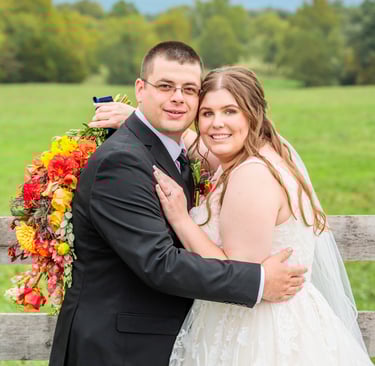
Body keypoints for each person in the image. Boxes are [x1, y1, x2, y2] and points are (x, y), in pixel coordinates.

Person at [49, 42, 306, 366]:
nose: (178, 98)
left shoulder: (177, 154)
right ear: (140, 89)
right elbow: (159, 262)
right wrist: (258, 281)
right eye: (166, 86)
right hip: (118, 350)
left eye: (189, 89)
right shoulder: (122, 162)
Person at [148, 66, 372, 365]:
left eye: (230, 111)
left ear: (253, 114)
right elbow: (200, 144)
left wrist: (181, 219)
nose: (217, 124)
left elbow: (236, 272)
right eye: (207, 113)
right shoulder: (260, 152)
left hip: (257, 332)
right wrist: (135, 117)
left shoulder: (252, 174)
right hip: (262, 319)